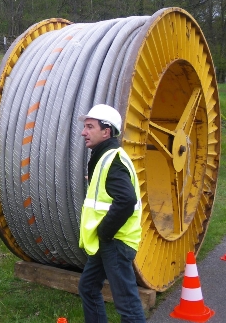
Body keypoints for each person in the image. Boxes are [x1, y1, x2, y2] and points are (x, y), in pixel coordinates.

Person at [78, 104, 146, 323]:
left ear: (106, 131)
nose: (83, 132)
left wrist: (106, 231)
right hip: (108, 240)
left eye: (90, 127)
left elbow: (126, 200)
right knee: (88, 287)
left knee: (127, 304)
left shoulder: (113, 161)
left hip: (116, 241)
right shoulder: (104, 157)